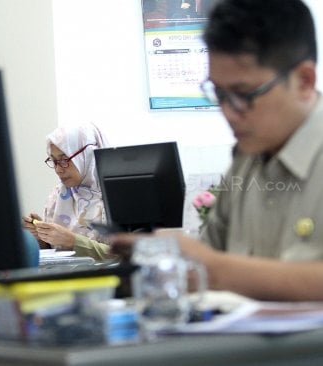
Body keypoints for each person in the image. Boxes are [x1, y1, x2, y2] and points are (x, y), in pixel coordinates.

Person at [112, 0, 323, 301]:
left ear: (304, 80)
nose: (228, 112)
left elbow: (211, 266)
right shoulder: (246, 161)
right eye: (219, 94)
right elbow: (203, 265)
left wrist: (215, 269)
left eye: (243, 94)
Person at [22, 122, 116, 261]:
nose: (58, 169)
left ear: (87, 155)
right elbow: (55, 255)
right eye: (53, 161)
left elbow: (126, 255)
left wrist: (73, 241)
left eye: (65, 160)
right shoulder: (59, 195)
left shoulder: (117, 194)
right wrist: (41, 236)